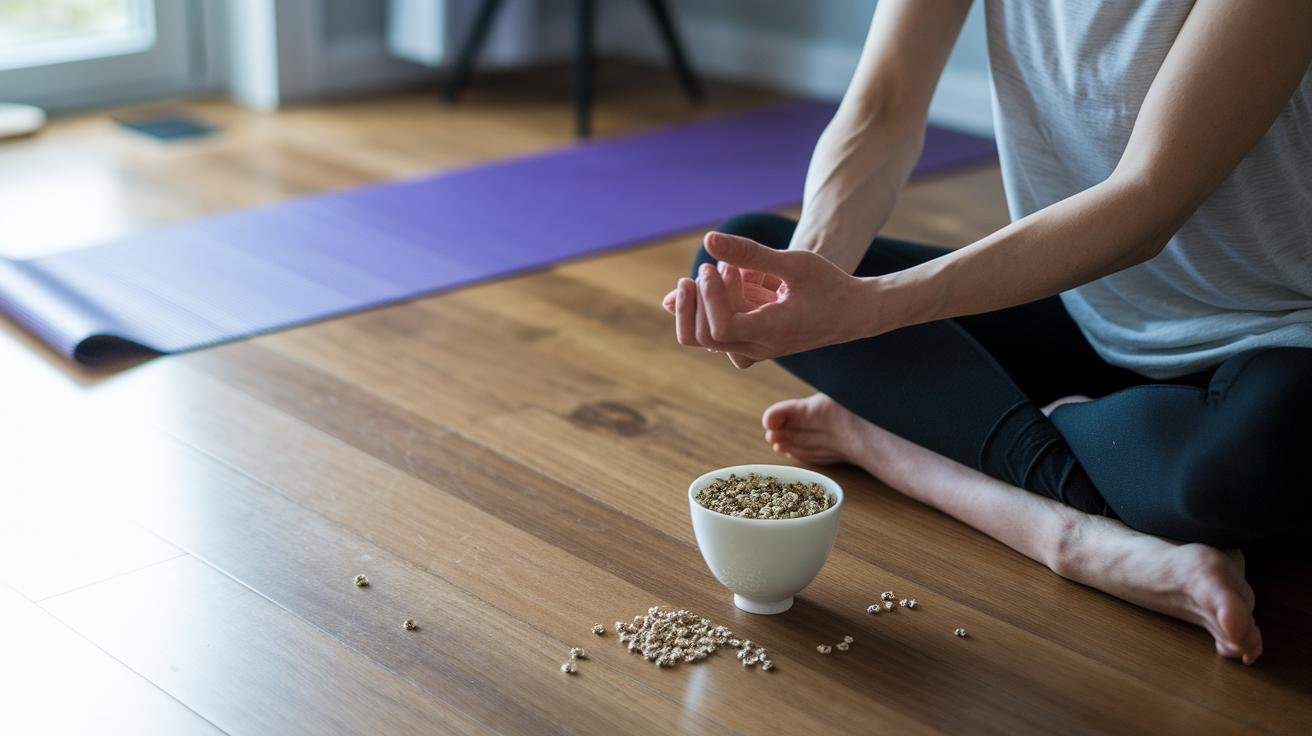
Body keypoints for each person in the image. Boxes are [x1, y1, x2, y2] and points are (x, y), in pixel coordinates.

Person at [664, 0, 1312, 665]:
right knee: (739, 262)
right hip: (1080, 306)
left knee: (1243, 468)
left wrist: (865, 313)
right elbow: (884, 106)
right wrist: (810, 288)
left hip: (1275, 337)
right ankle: (1074, 533)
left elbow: (1149, 198)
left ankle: (894, 444)